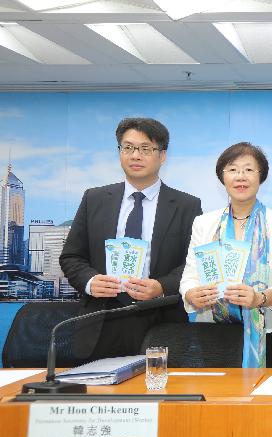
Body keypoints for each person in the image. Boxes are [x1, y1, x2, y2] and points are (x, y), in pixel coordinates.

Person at [60, 117, 202, 361]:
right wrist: (90, 281)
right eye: (128, 147)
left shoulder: (186, 205)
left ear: (162, 155)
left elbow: (194, 262)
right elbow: (72, 256)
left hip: (160, 317)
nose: (136, 155)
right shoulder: (94, 199)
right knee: (99, 395)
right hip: (101, 317)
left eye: (146, 149)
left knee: (158, 393)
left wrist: (161, 286)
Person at [179, 142, 272, 368]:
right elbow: (190, 273)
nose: (241, 177)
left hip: (266, 325)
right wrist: (191, 294)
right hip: (212, 324)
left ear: (261, 176)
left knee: (261, 394)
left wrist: (260, 298)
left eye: (249, 170)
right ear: (222, 177)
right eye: (233, 170)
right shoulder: (204, 223)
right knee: (219, 393)